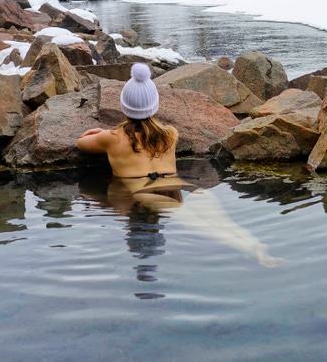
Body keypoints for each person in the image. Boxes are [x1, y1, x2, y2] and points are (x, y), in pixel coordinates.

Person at [75, 63, 285, 267]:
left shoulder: (112, 138)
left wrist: (99, 132)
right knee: (225, 224)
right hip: (182, 186)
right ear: (155, 105)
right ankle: (256, 245)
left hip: (147, 193)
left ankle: (255, 251)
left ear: (123, 106)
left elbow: (81, 143)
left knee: (207, 229)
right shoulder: (171, 134)